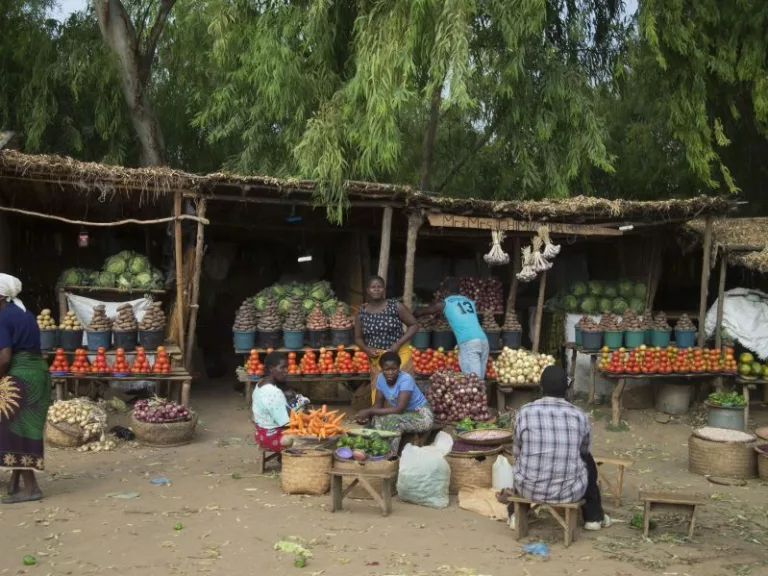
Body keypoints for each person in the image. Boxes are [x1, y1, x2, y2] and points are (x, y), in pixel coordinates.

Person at [500, 365, 611, 531]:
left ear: (541, 387)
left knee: (524, 460)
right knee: (587, 460)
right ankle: (593, 517)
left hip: (529, 490)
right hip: (568, 492)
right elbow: (583, 451)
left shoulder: (525, 412)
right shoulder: (579, 415)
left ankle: (514, 515)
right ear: (566, 389)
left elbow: (517, 452)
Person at [0, 274, 51, 504]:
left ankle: (31, 488)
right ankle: (14, 483)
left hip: (21, 376)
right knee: (23, 428)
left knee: (16, 430)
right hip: (38, 373)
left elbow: (4, 357)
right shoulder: (24, 313)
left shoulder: (2, 317)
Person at [355, 275, 419, 403]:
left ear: (384, 289)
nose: (376, 289)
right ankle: (379, 415)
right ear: (367, 290)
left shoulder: (395, 306)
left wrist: (398, 343)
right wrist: (366, 350)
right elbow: (358, 338)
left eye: (379, 287)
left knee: (403, 385)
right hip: (377, 357)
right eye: (373, 287)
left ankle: (407, 415)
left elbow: (414, 325)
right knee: (379, 389)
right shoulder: (362, 312)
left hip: (399, 353)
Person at [355, 351, 434, 453]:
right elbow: (378, 405)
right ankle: (375, 449)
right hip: (404, 414)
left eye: (394, 369)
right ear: (381, 368)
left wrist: (369, 412)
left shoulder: (406, 379)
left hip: (421, 415)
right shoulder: (380, 379)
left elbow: (399, 409)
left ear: (399, 367)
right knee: (377, 419)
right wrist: (365, 416)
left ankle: (390, 454)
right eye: (386, 369)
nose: (390, 372)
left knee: (394, 421)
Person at [414, 278, 489, 379]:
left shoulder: (445, 303)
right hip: (483, 340)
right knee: (480, 379)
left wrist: (413, 312)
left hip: (469, 343)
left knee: (473, 382)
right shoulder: (470, 302)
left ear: (446, 291)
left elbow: (423, 312)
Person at [251, 352, 293, 453]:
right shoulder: (273, 392)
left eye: (286, 367)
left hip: (260, 434)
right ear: (271, 369)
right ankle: (292, 462)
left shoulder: (260, 383)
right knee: (309, 436)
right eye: (282, 367)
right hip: (273, 438)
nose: (286, 371)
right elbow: (286, 423)